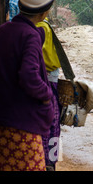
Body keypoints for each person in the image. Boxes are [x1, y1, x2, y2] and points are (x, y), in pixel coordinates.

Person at [0, 0, 56, 171]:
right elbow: (29, 76)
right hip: (22, 126)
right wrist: (47, 95)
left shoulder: (4, 30)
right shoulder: (30, 35)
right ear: (44, 13)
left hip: (0, 121)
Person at [36, 17, 62, 171]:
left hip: (44, 77)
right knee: (53, 123)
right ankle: (50, 161)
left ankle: (46, 160)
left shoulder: (37, 27)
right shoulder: (44, 26)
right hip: (49, 78)